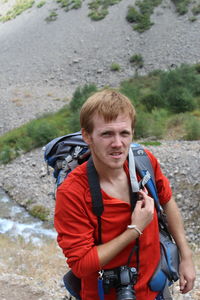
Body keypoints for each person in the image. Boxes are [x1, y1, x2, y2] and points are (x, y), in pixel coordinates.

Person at [54, 89, 195, 300]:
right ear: (87, 136)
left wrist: (186, 255)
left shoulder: (144, 163)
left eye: (124, 133)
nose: (118, 144)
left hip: (156, 289)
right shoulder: (72, 193)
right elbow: (81, 264)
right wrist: (135, 229)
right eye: (107, 134)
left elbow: (167, 201)